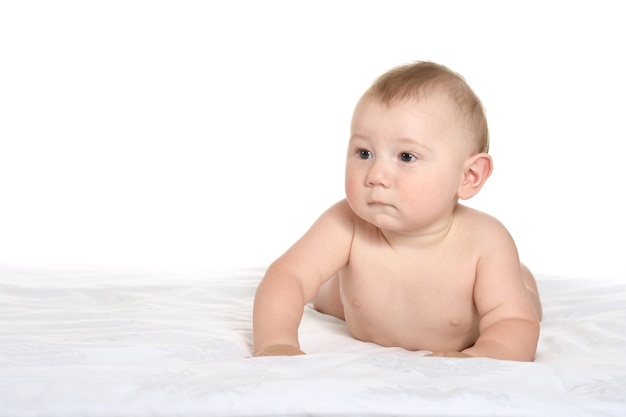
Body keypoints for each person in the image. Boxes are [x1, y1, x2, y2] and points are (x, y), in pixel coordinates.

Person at [253, 61, 542, 361]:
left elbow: (513, 323)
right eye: (364, 153)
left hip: (496, 282)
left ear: (469, 177)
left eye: (406, 156)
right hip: (346, 299)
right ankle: (334, 285)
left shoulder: (484, 242)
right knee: (326, 297)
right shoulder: (346, 223)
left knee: (524, 305)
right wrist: (276, 342)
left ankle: (522, 280)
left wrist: (483, 354)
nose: (376, 174)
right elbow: (287, 276)